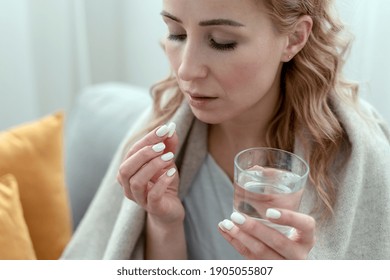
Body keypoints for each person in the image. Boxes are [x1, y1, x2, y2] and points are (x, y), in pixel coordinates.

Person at [61, 0, 390, 260]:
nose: (186, 70)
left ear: (294, 38)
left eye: (221, 42)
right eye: (176, 33)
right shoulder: (161, 121)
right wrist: (163, 222)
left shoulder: (357, 154)